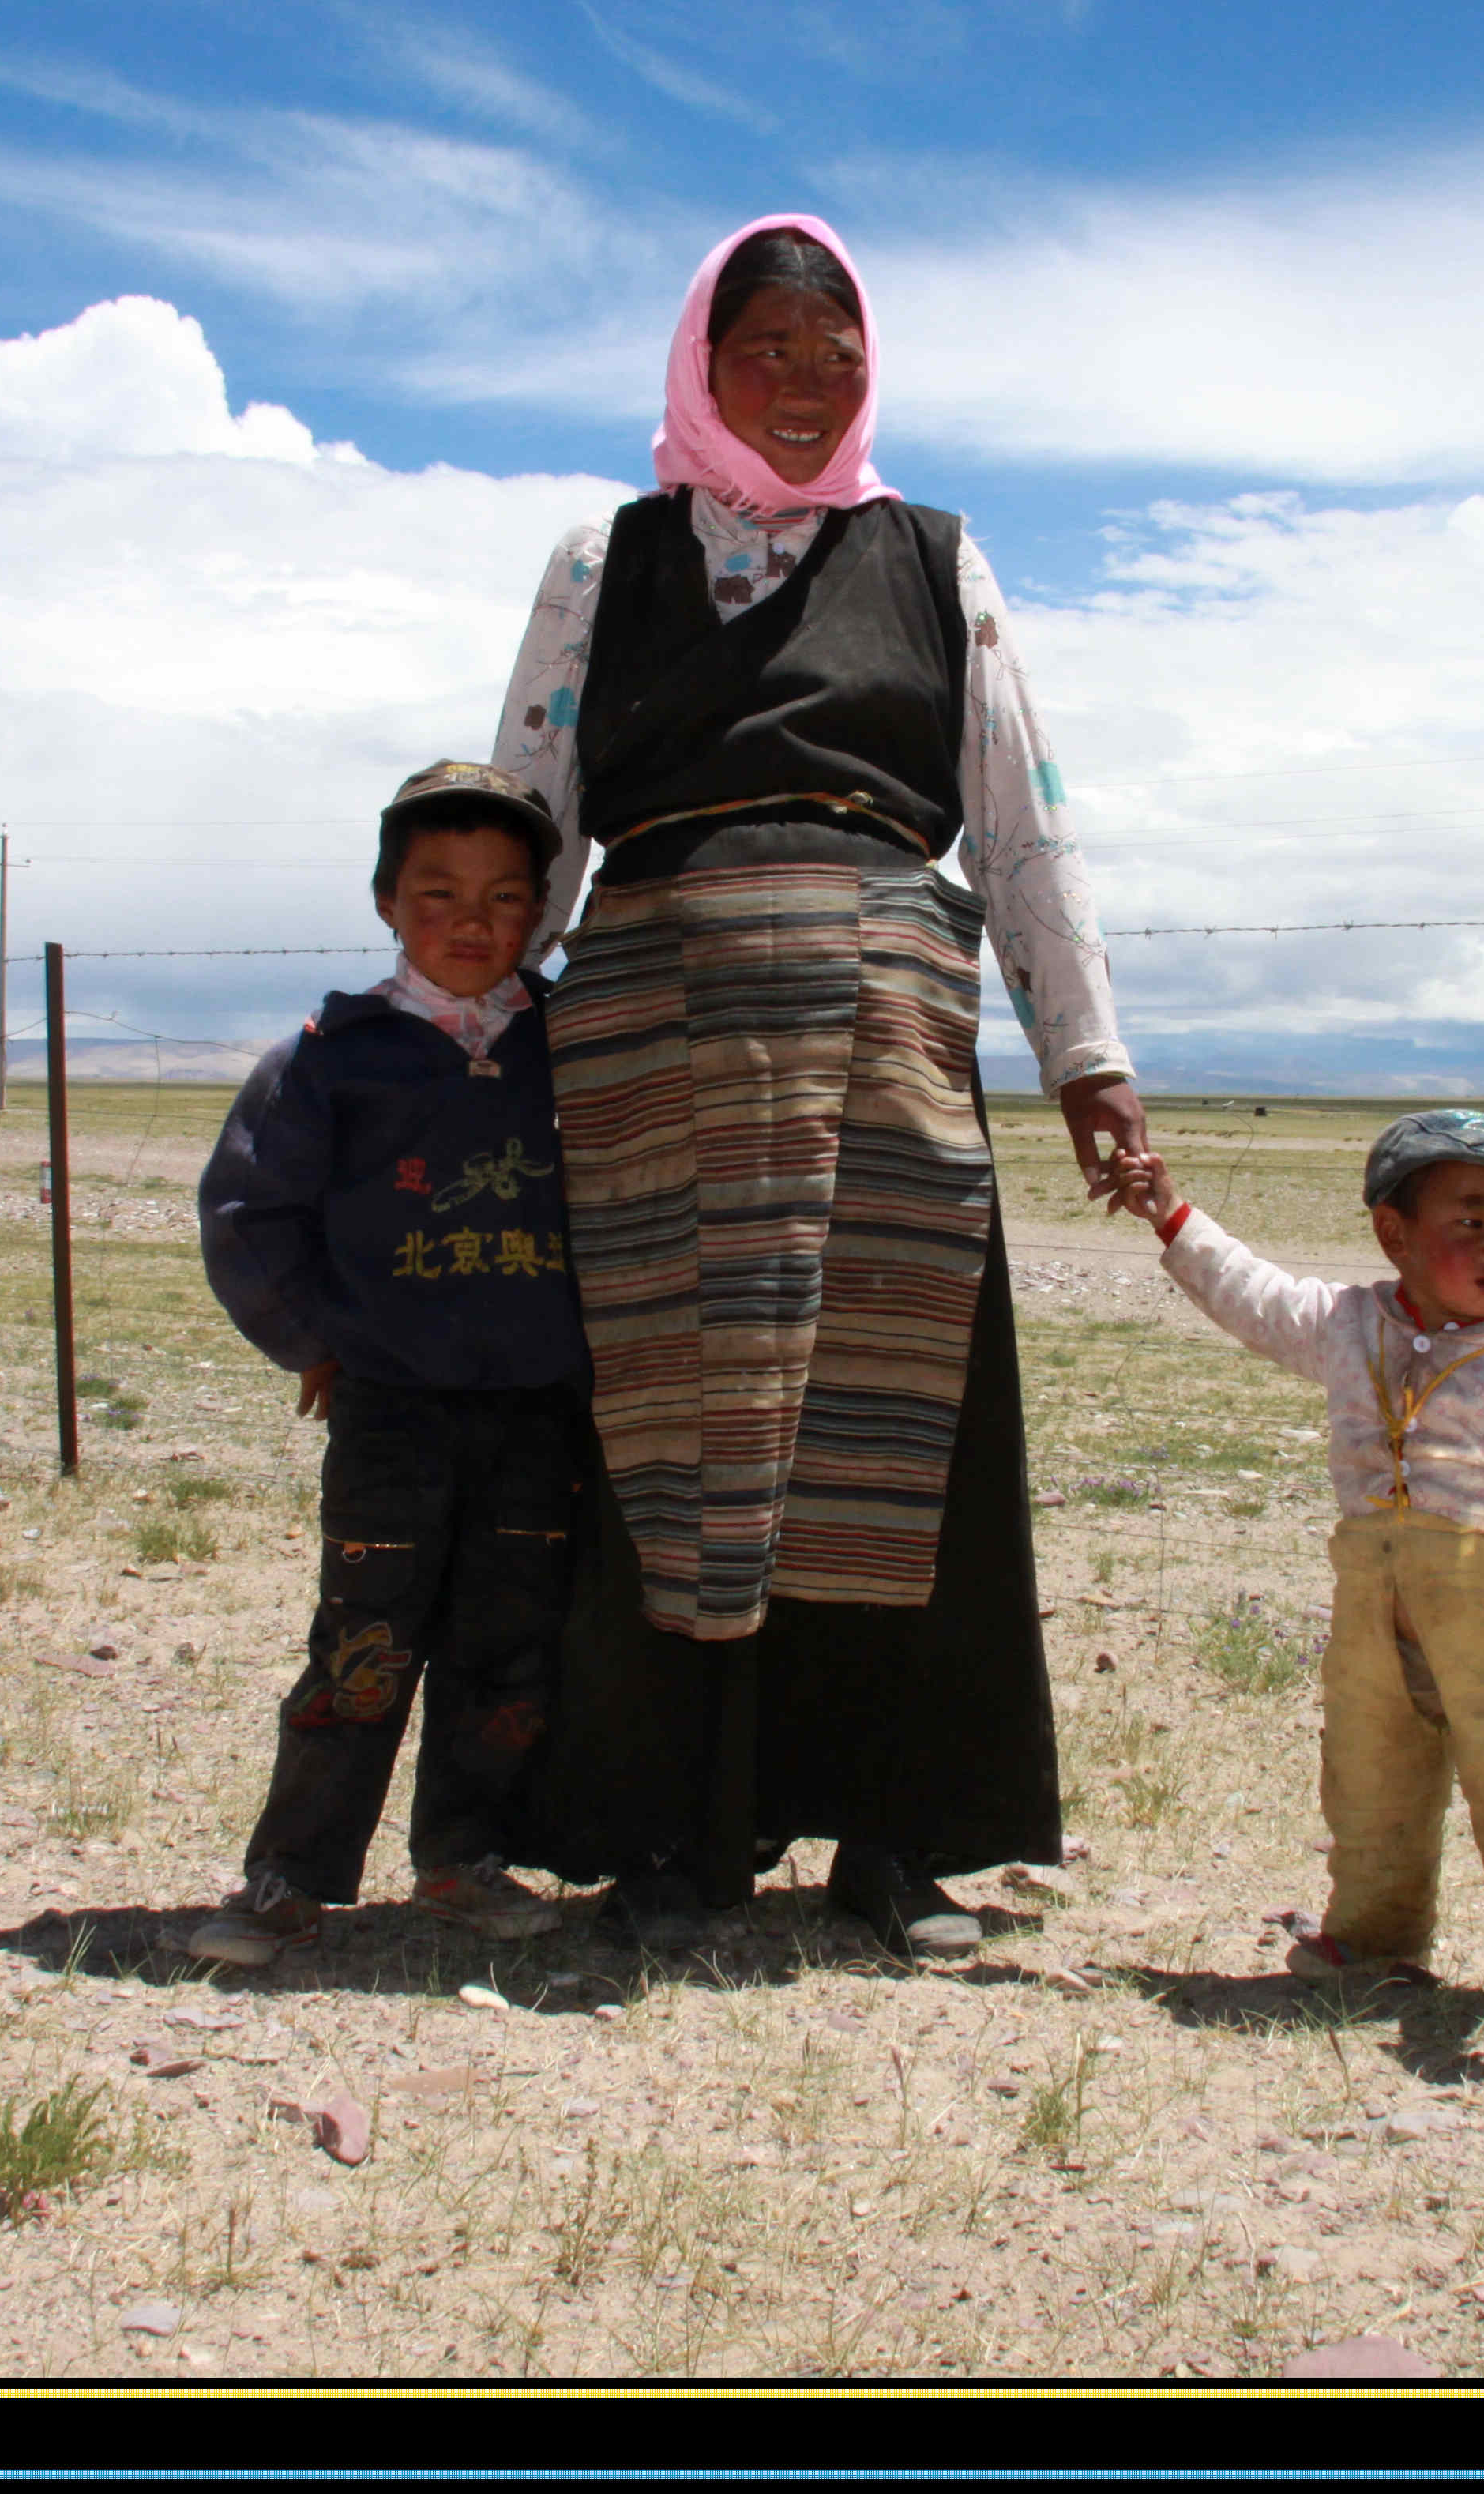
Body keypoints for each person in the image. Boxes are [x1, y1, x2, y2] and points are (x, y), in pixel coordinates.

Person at [485, 213, 1149, 1960]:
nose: (800, 380)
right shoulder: (599, 561)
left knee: (890, 1426)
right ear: (698, 361)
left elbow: (1018, 812)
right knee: (662, 1433)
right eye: (763, 346)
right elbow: (532, 801)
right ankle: (664, 1840)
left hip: (887, 1025)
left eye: (833, 351)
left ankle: (893, 1844)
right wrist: (463, 1016)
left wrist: (1085, 1050)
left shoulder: (935, 558)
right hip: (651, 1030)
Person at [174, 761, 588, 1968]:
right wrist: (311, 1343)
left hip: (537, 1411)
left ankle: (462, 1859)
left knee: (507, 1646)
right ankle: (290, 1873)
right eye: (438, 893)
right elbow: (245, 1211)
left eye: (506, 897)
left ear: (538, 911)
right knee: (362, 1643)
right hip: (392, 1411)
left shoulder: (564, 1050)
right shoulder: (332, 1053)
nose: (473, 921)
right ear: (386, 902)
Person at [1106, 1110, 1484, 2034]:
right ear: (1393, 1232)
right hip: (1373, 1597)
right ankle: (1376, 1935)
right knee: (1368, 1770)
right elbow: (1253, 1295)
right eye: (1470, 1222)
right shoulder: (1348, 1328)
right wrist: (1171, 1216)